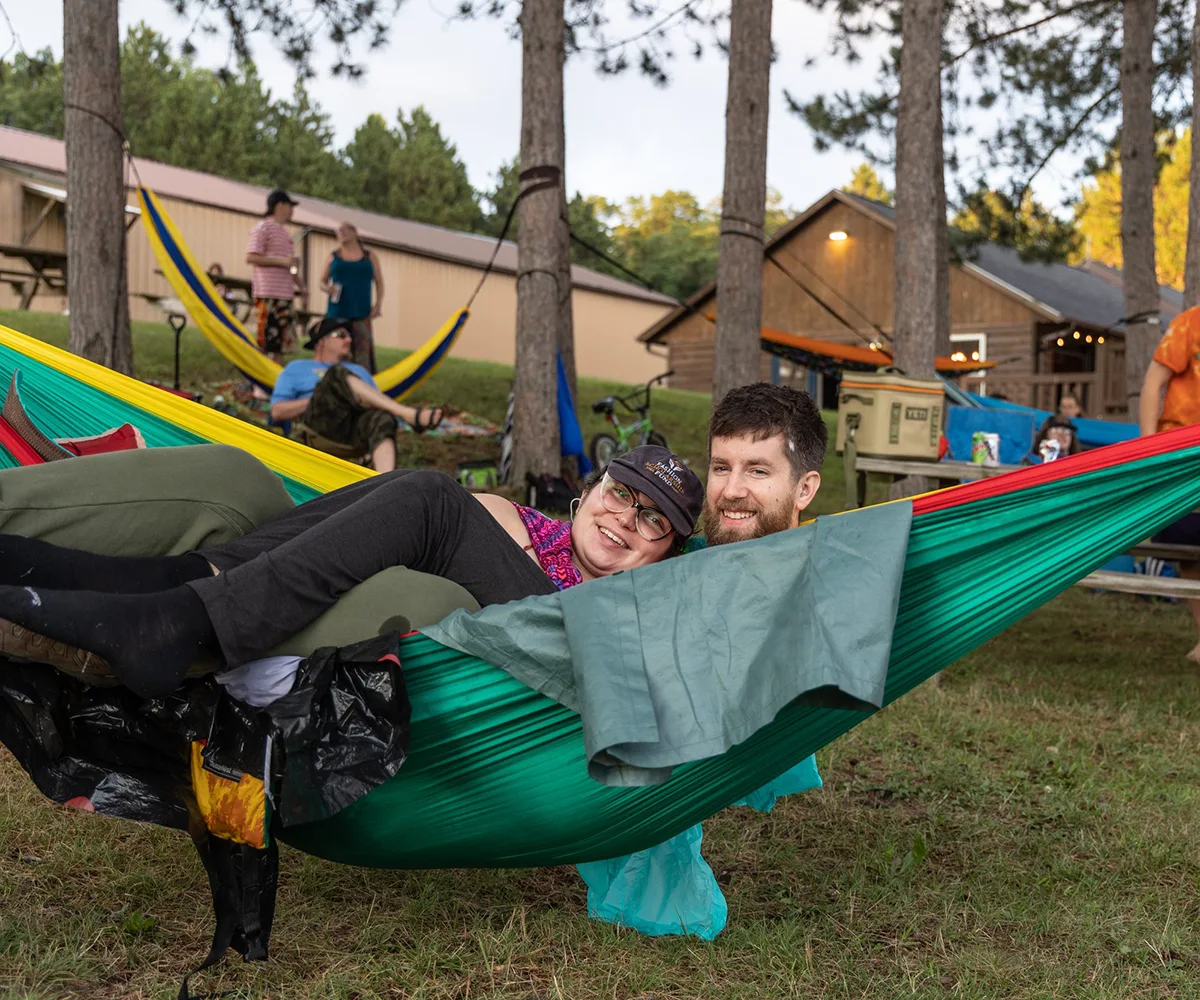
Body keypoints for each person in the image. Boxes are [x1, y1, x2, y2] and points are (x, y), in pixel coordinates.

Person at [0, 444, 703, 700]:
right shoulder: (527, 526)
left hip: (565, 648)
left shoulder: (653, 600)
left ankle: (172, 612)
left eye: (653, 520)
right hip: (515, 603)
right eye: (621, 494)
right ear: (593, 487)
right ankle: (159, 587)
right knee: (406, 493)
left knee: (431, 498)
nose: (625, 519)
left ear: (668, 551)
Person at [271, 317, 443, 472]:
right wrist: (324, 396)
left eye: (349, 336)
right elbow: (277, 411)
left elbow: (377, 404)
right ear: (322, 341)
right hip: (319, 429)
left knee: (382, 418)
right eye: (341, 335)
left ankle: (385, 481)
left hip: (352, 431)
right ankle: (407, 414)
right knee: (335, 374)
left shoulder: (359, 371)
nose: (349, 340)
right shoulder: (296, 368)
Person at [1139, 304, 1200, 661]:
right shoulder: (1190, 323)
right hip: (1183, 457)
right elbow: (1153, 383)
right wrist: (1149, 453)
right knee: (1189, 546)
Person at [702, 382, 827, 545]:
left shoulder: (837, 561)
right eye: (721, 469)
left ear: (804, 490)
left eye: (758, 471)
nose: (731, 492)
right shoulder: (679, 558)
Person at [246, 189, 304, 365]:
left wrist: (301, 285)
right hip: (267, 295)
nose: (292, 211)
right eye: (290, 206)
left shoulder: (285, 234)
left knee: (280, 345)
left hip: (285, 295)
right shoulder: (262, 228)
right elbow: (251, 257)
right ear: (280, 206)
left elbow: (288, 265)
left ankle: (276, 377)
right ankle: (261, 377)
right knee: (266, 342)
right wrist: (282, 261)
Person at [321, 222, 383, 372]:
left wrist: (378, 305)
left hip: (361, 312)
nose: (341, 233)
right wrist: (327, 288)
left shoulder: (369, 257)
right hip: (337, 312)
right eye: (338, 231)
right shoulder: (333, 256)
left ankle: (362, 378)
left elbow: (379, 282)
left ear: (354, 232)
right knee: (338, 348)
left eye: (344, 230)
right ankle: (336, 377)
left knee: (362, 350)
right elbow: (322, 281)